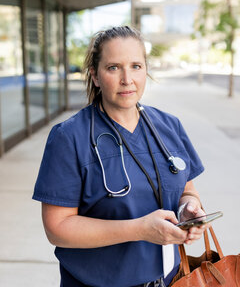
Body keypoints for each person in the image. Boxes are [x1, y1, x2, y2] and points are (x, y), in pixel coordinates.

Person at [33, 26, 207, 287]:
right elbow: (57, 228)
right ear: (95, 75)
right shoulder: (69, 138)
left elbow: (187, 190)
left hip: (171, 280)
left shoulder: (169, 127)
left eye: (136, 66)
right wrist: (139, 229)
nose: (127, 79)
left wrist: (188, 210)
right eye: (114, 67)